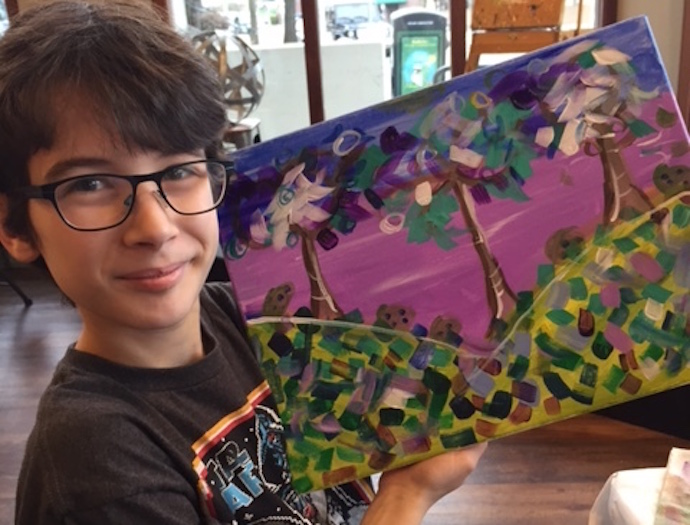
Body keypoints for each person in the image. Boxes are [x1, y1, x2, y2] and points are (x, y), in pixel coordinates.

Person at [0, 2, 486, 524]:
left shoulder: (239, 314)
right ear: (14, 226)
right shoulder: (94, 464)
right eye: (90, 184)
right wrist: (407, 497)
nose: (154, 227)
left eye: (180, 171)